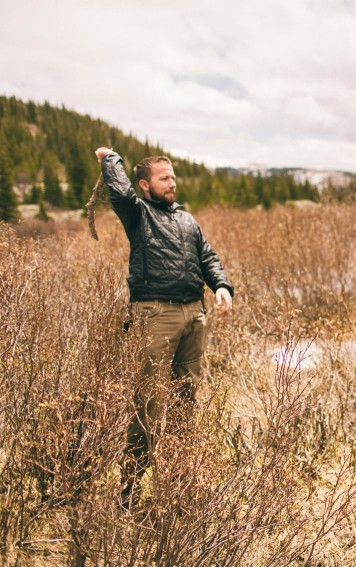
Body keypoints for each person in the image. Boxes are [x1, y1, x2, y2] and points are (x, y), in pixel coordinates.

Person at [95, 147, 234, 508]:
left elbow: (208, 257)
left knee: (187, 401)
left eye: (173, 177)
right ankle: (127, 491)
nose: (172, 184)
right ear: (145, 185)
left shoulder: (188, 220)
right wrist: (109, 158)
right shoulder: (137, 214)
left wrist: (220, 285)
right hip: (155, 314)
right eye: (163, 179)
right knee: (148, 404)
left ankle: (177, 485)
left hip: (194, 317)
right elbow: (120, 192)